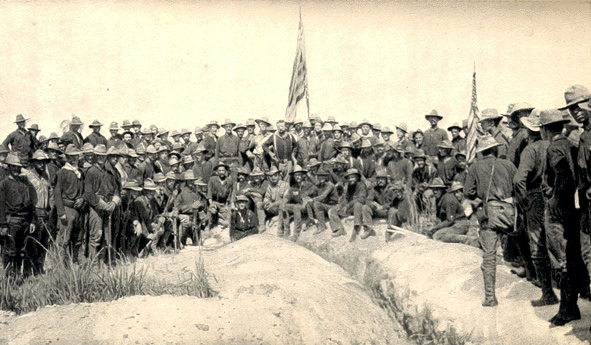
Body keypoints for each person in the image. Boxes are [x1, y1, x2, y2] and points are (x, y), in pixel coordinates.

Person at [540, 109, 583, 327]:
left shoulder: (554, 147)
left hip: (561, 211)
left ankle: (566, 310)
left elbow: (563, 174)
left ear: (546, 129)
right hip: (574, 209)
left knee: (561, 260)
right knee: (572, 258)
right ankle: (571, 307)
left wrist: (556, 201)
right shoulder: (571, 144)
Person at [464, 135, 517, 307]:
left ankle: (490, 298)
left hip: (489, 213)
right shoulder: (508, 164)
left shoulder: (475, 167)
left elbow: (468, 192)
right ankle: (544, 290)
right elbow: (518, 186)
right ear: (495, 149)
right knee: (519, 244)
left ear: (481, 152)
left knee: (489, 256)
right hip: (508, 211)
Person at [513, 112, 558, 307]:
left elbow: (518, 179)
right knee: (559, 245)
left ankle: (548, 293)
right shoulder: (552, 145)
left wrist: (523, 202)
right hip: (555, 197)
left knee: (537, 246)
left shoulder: (530, 150)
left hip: (535, 198)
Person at [0, 153, 37, 277]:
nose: (16, 169)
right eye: (13, 167)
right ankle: (9, 278)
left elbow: (31, 203)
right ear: (8, 167)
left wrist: (32, 221)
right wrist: (3, 225)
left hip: (25, 220)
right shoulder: (4, 184)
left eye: (18, 167)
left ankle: (17, 275)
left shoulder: (25, 183)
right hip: (12, 221)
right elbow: (1, 206)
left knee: (22, 250)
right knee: (10, 250)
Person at [54, 145, 86, 263]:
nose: (74, 159)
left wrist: (82, 199)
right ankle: (61, 266)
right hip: (67, 209)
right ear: (66, 158)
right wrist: (61, 212)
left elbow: (84, 191)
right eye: (71, 157)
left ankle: (75, 262)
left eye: (76, 156)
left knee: (77, 238)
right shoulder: (62, 172)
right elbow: (57, 193)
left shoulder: (79, 172)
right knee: (64, 239)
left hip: (78, 209)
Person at [22, 150, 51, 275]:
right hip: (34, 212)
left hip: (45, 212)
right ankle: (28, 271)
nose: (42, 165)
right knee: (32, 243)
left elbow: (49, 192)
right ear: (34, 163)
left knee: (44, 242)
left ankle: (39, 268)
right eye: (39, 162)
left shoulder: (45, 176)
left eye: (43, 162)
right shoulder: (27, 176)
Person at [426, 181, 478, 247]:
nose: (435, 191)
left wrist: (436, 227)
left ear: (442, 190)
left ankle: (466, 239)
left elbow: (450, 220)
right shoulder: (441, 199)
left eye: (437, 189)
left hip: (460, 225)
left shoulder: (448, 200)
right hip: (454, 224)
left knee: (438, 235)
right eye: (433, 189)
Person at [328, 168, 373, 241]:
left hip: (358, 208)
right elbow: (345, 198)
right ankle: (339, 229)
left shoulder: (361, 185)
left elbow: (361, 199)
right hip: (350, 208)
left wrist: (347, 206)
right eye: (349, 178)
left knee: (357, 204)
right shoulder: (349, 186)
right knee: (333, 210)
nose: (351, 179)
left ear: (357, 177)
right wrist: (341, 205)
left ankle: (356, 227)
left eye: (352, 177)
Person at [311, 168, 339, 234]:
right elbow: (311, 192)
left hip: (333, 206)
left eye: (323, 176)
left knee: (316, 204)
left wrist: (313, 199)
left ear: (326, 176)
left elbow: (323, 196)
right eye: (319, 176)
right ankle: (319, 225)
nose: (321, 178)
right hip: (326, 205)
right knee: (313, 204)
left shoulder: (330, 185)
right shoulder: (320, 185)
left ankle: (322, 226)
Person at [207, 162, 234, 230]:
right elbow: (209, 192)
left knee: (227, 215)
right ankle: (210, 227)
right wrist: (211, 204)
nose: (221, 172)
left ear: (225, 171)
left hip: (223, 203)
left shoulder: (229, 181)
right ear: (217, 172)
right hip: (214, 201)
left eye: (223, 170)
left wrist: (227, 205)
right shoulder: (212, 180)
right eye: (220, 170)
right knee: (212, 212)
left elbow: (230, 194)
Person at [263, 166, 289, 237]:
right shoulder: (270, 186)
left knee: (283, 205)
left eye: (275, 175)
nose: (273, 177)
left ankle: (280, 228)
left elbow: (285, 199)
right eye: (271, 176)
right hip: (273, 208)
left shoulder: (285, 185)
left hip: (283, 207)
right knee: (259, 204)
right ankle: (262, 225)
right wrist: (267, 202)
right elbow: (266, 197)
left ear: (279, 175)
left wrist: (273, 204)